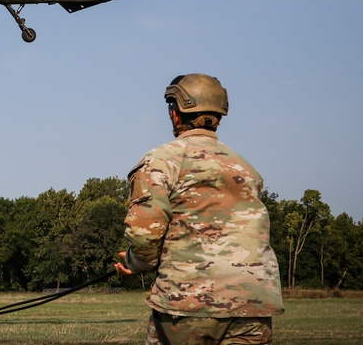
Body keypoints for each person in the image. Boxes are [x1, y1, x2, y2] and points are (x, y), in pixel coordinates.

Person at [115, 74, 284, 344]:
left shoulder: (161, 160)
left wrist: (135, 262)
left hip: (187, 304)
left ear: (175, 113)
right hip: (253, 306)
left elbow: (145, 233)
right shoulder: (246, 168)